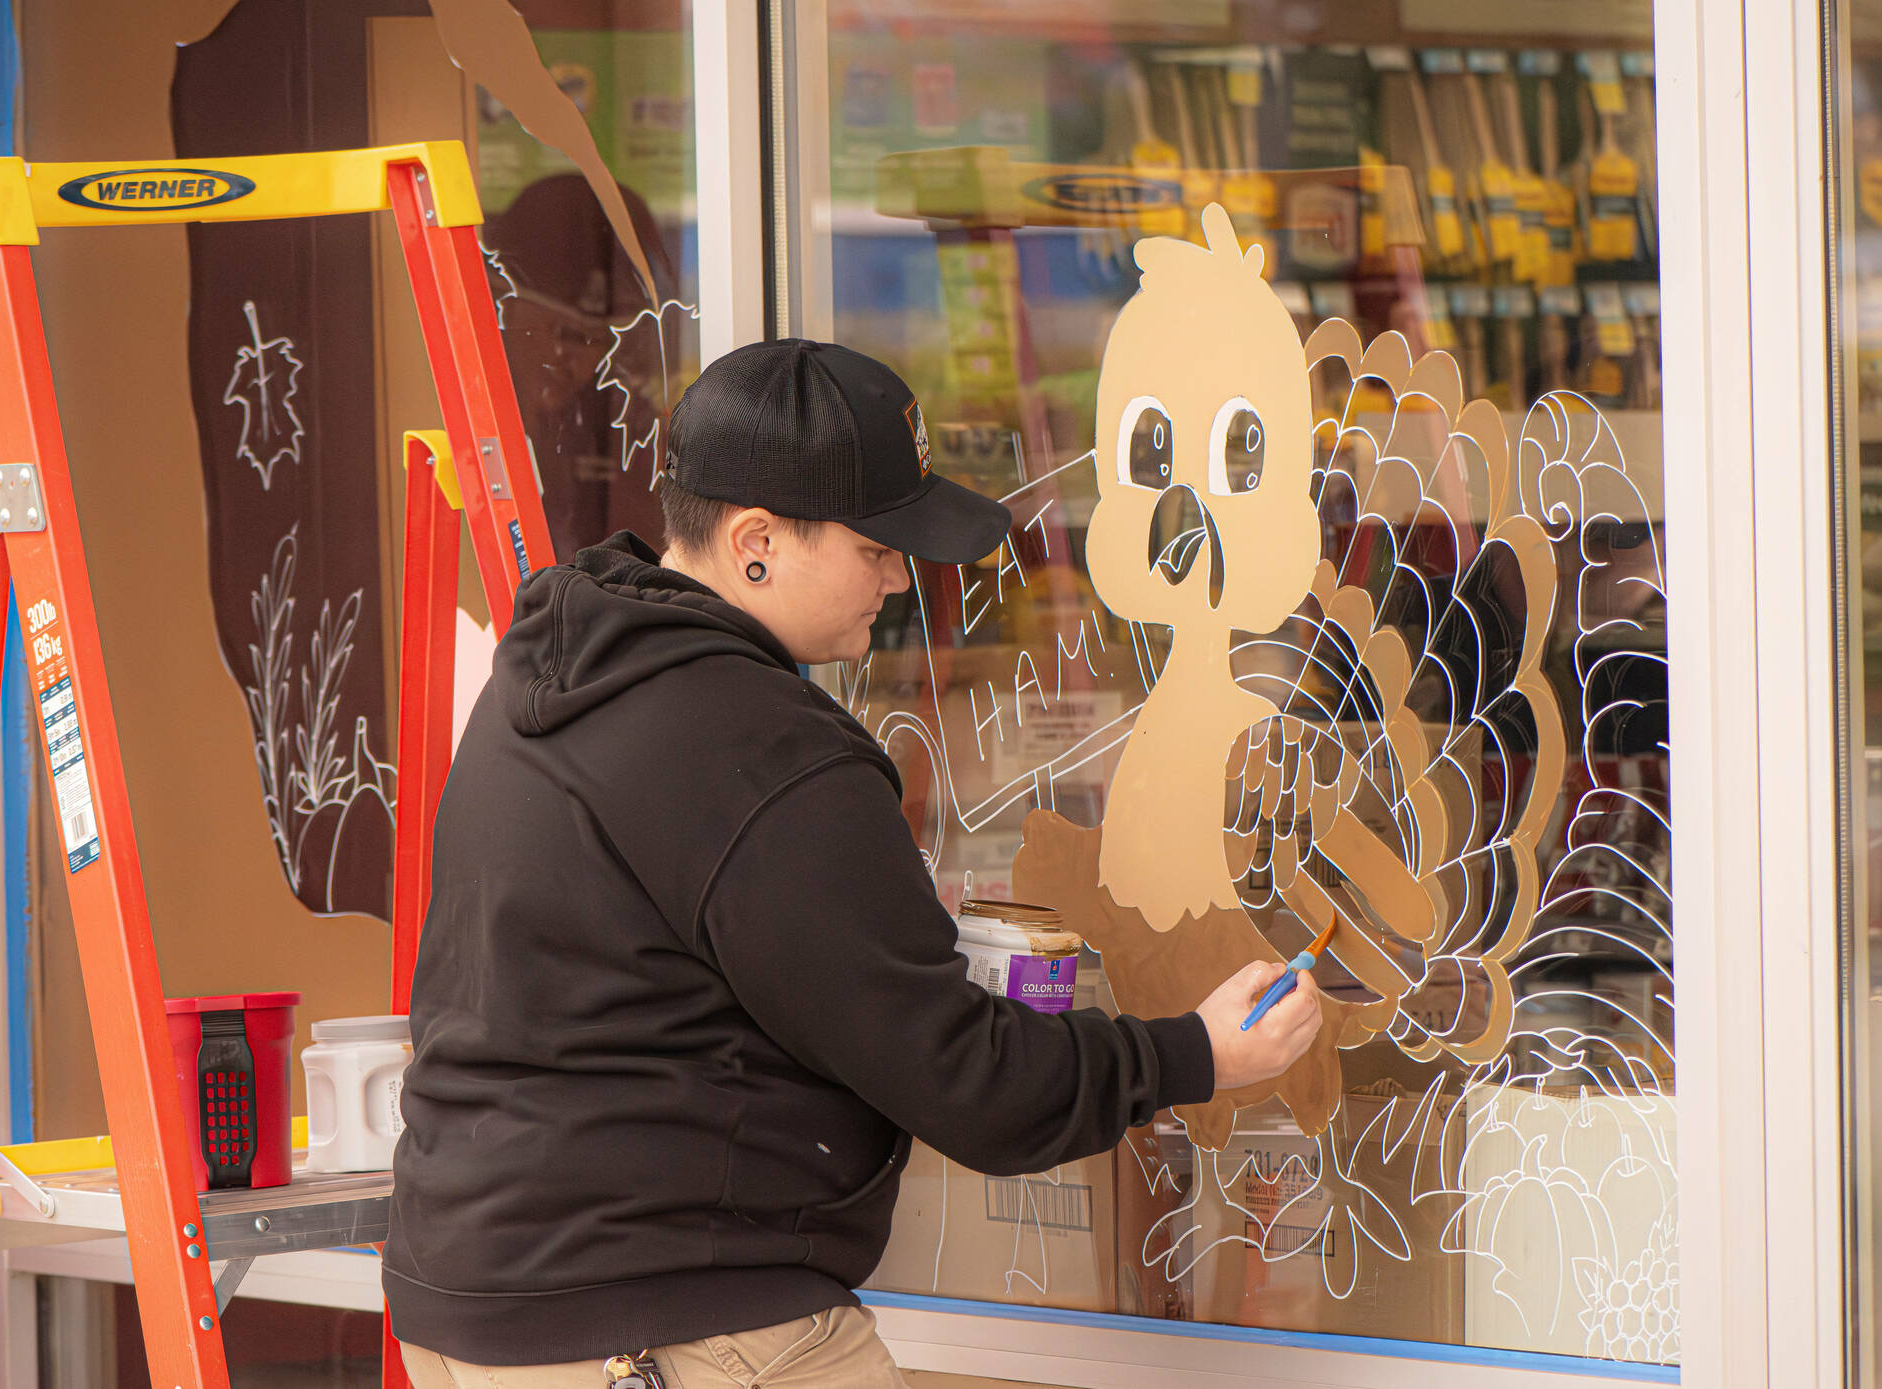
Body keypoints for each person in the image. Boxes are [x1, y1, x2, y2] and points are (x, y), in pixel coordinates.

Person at [385, 340, 1325, 1388]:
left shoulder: (548, 684)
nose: (897, 573)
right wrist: (1196, 1053)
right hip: (671, 1329)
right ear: (754, 543)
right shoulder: (765, 751)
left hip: (473, 1309)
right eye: (876, 542)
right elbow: (967, 1085)